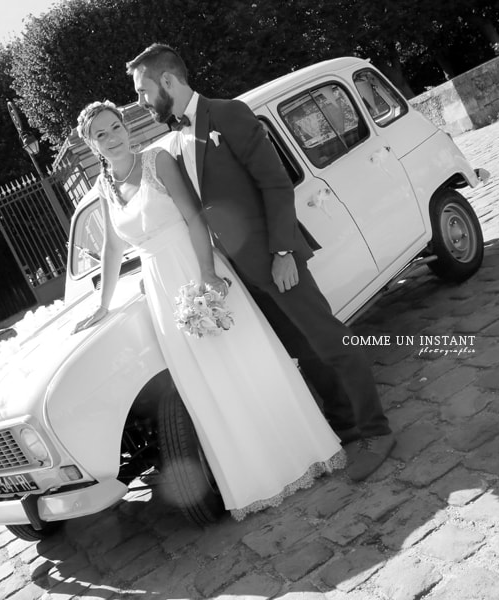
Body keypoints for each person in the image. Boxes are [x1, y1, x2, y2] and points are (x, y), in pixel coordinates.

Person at [125, 43, 395, 482]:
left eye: (142, 90)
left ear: (167, 81)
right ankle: (345, 428)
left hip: (277, 260)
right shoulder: (174, 139)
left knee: (331, 343)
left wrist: (284, 252)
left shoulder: (227, 114)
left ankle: (376, 431)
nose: (139, 101)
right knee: (303, 352)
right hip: (244, 274)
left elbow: (275, 183)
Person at [72, 100, 344, 520]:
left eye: (115, 127)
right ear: (92, 146)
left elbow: (194, 217)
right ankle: (253, 475)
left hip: (196, 265)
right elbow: (112, 248)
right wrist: (101, 306)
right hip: (162, 292)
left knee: (246, 359)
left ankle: (302, 451)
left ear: (126, 127)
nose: (112, 138)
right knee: (208, 383)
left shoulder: (156, 161)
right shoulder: (105, 189)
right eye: (101, 135)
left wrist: (205, 277)